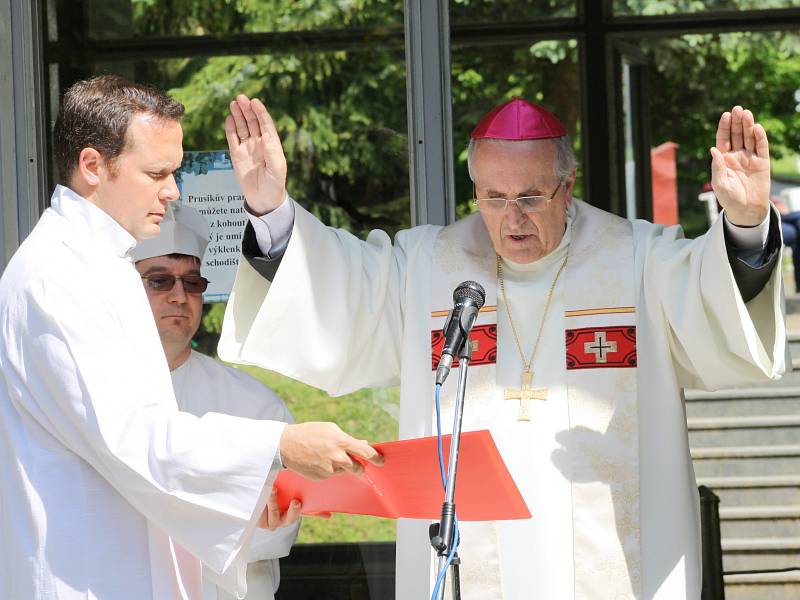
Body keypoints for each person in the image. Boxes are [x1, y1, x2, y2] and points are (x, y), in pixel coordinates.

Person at [217, 96, 786, 599]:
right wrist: (271, 210)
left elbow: (715, 298)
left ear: (569, 185)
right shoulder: (427, 266)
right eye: (493, 197)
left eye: (532, 196)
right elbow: (337, 287)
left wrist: (744, 221)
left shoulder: (637, 260)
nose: (512, 218)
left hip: (612, 560)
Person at [0, 75, 383, 600]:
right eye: (157, 173)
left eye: (174, 172)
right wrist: (278, 444)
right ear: (93, 166)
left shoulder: (96, 264)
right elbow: (135, 439)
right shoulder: (56, 278)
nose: (173, 191)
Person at [132, 204, 299, 600]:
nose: (179, 296)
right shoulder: (94, 392)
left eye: (192, 282)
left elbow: (280, 527)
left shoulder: (257, 407)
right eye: (159, 281)